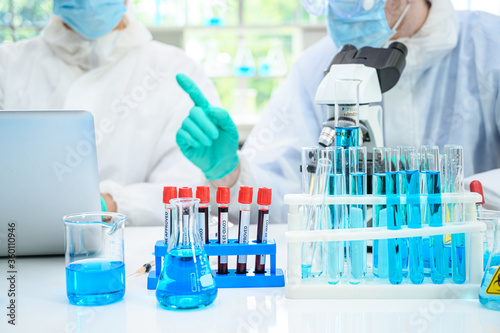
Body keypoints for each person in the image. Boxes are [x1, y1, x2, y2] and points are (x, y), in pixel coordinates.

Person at [176, 0, 500, 223]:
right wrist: (229, 173)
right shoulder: (316, 66)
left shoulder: (490, 46)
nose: (343, 12)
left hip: (469, 267)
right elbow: (287, 195)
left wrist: (453, 198)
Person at [0, 1, 220, 225]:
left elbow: (188, 188)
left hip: (135, 251)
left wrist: (108, 205)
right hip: (16, 248)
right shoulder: (7, 65)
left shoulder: (175, 69)